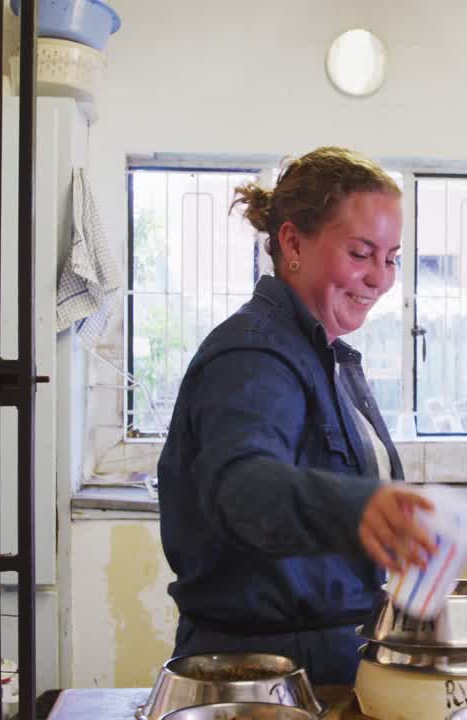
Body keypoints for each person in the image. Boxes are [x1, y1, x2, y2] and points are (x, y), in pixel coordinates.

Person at [156, 146, 435, 684]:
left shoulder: (326, 357)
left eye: (392, 257)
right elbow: (245, 488)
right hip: (259, 674)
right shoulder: (253, 354)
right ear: (292, 243)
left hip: (328, 659)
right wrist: (363, 506)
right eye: (360, 253)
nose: (380, 278)